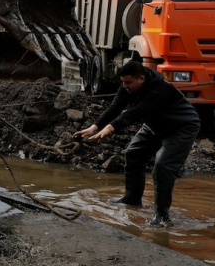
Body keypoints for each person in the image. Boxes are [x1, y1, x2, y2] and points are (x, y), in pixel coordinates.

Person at [73, 61, 200, 226]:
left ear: (141, 79)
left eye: (128, 82)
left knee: (163, 166)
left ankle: (162, 217)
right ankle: (132, 198)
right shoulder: (127, 87)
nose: (124, 86)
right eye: (123, 82)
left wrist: (110, 129)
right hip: (155, 124)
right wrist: (94, 127)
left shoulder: (160, 90)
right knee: (133, 153)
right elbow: (115, 108)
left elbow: (134, 113)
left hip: (181, 127)